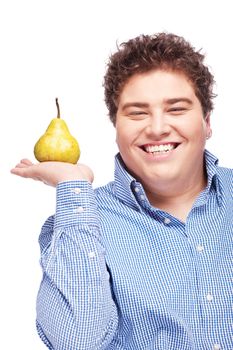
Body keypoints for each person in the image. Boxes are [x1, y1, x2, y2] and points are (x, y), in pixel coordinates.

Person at [11, 33, 232, 350]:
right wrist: (74, 187)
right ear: (116, 127)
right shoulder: (78, 224)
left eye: (176, 109)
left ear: (207, 122)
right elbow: (79, 343)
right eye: (137, 112)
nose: (156, 128)